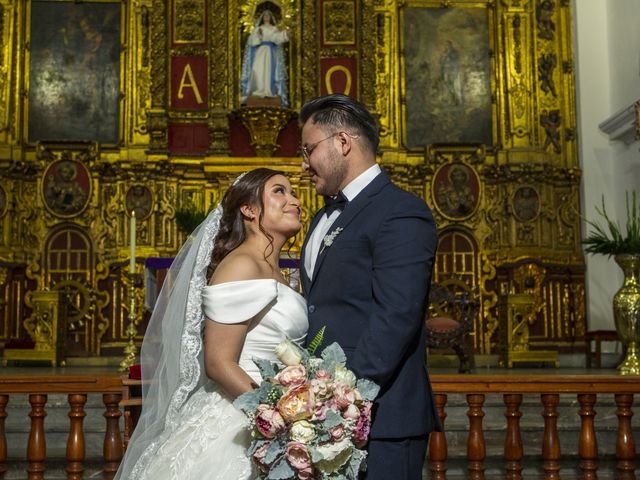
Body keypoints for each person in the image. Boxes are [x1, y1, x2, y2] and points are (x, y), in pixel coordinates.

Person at [115, 168, 307, 480]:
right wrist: (275, 418)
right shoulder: (243, 264)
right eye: (279, 192)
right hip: (241, 415)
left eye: (293, 192)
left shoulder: (269, 269)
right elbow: (218, 362)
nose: (294, 201)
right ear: (249, 209)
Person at [299, 94, 440, 480]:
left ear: (343, 142)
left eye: (309, 149)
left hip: (382, 418)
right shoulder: (321, 216)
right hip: (323, 415)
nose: (303, 163)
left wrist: (340, 399)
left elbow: (396, 318)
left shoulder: (400, 211)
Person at [240, 9, 289, 106]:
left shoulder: (273, 29)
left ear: (271, 18)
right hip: (259, 52)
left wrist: (285, 34)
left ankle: (268, 90)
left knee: (268, 71)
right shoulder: (258, 28)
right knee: (257, 70)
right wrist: (259, 36)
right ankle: (258, 90)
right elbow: (252, 41)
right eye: (265, 15)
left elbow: (277, 38)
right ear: (262, 17)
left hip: (269, 52)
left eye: (268, 15)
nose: (266, 17)